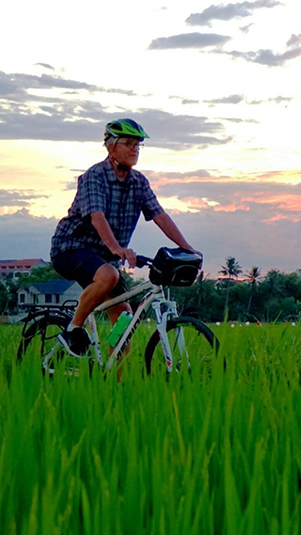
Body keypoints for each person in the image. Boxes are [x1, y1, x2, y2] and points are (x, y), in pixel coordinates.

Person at [50, 118, 200, 356]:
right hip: (71, 247)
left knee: (124, 320)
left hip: (104, 257)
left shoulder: (139, 182)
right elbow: (96, 216)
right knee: (109, 274)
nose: (134, 149)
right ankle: (74, 328)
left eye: (138, 145)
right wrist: (118, 248)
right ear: (111, 147)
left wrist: (188, 248)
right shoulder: (94, 176)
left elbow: (160, 216)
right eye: (128, 143)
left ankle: (114, 383)